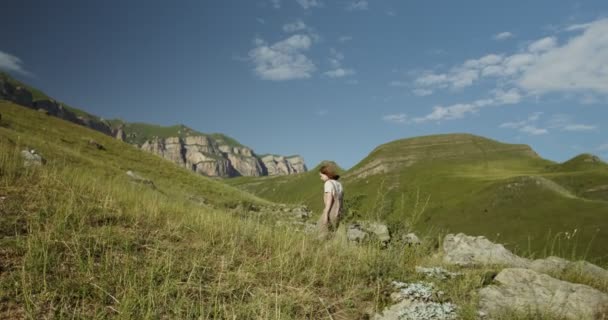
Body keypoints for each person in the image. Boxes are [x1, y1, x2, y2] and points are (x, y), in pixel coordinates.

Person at [318, 163, 344, 237]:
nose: (321, 178)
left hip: (330, 212)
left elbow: (330, 199)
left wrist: (326, 214)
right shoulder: (339, 184)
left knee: (320, 234)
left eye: (321, 176)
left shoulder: (328, 183)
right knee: (332, 234)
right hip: (339, 213)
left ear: (327, 174)